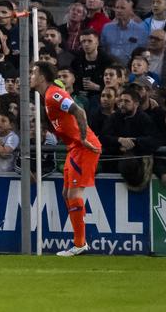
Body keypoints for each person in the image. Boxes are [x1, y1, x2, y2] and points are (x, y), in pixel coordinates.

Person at [32, 58, 103, 257]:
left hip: (84, 146)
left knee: (74, 195)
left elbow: (79, 111)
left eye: (33, 73)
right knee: (66, 194)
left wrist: (82, 137)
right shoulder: (47, 97)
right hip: (74, 148)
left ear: (42, 77)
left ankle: (80, 243)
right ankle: (80, 240)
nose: (30, 76)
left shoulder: (53, 94)